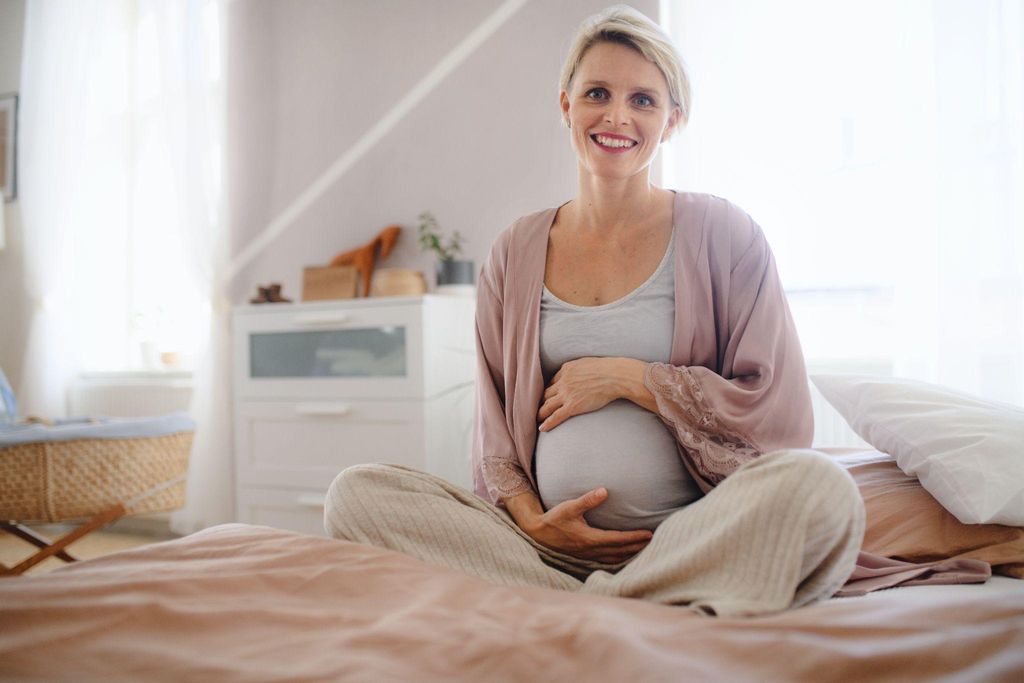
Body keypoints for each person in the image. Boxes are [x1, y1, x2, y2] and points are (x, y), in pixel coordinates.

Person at [324, 4, 865, 618]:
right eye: (598, 93)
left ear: (673, 120)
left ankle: (602, 597)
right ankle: (601, 597)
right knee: (357, 494)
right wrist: (534, 522)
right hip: (539, 547)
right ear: (566, 106)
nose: (617, 116)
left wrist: (634, 379)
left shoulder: (725, 233)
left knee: (822, 493)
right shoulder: (516, 249)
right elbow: (495, 424)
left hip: (687, 538)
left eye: (643, 100)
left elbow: (776, 409)